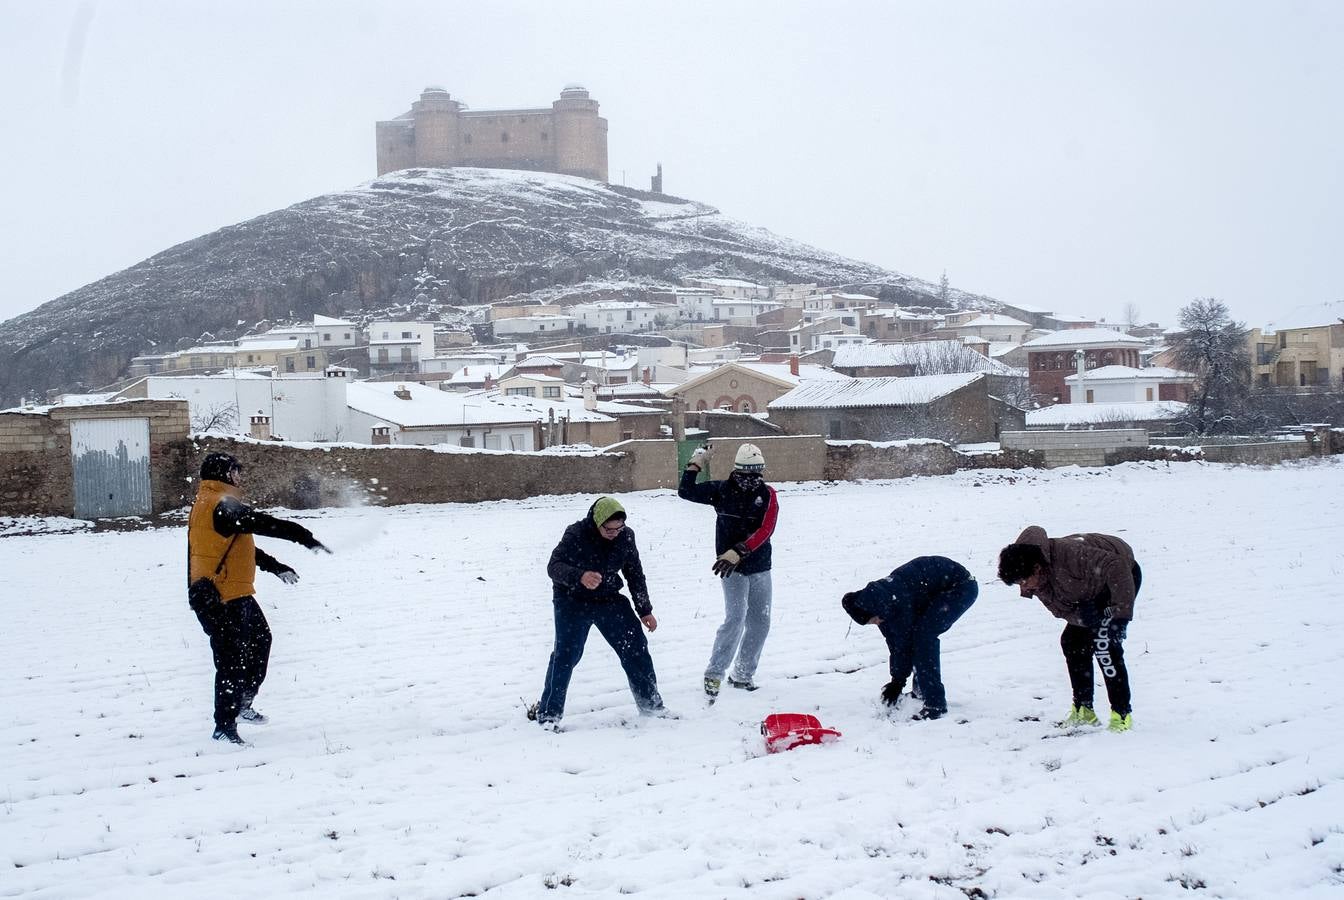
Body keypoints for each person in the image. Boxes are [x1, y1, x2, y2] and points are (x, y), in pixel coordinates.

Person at [188, 452, 330, 746]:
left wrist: (276, 567)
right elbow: (264, 523)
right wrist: (303, 536)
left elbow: (239, 548)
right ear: (223, 475)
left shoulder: (214, 502)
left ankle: (241, 704)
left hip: (234, 592)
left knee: (260, 642)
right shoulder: (219, 505)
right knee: (230, 662)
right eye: (235, 472)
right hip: (217, 597)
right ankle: (223, 727)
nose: (240, 477)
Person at [531, 497, 671, 730]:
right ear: (597, 522)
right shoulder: (576, 534)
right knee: (567, 655)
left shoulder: (626, 537)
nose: (615, 532)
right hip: (572, 599)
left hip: (608, 598)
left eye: (619, 527)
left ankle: (651, 707)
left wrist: (645, 610)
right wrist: (580, 576)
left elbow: (634, 573)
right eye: (609, 528)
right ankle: (548, 715)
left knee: (635, 647)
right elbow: (553, 566)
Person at [997, 525, 1141, 733]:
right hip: (1085, 591)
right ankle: (1084, 710)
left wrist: (1120, 616)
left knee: (1104, 645)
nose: (1024, 588)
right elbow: (1059, 609)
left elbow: (1116, 566)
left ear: (1037, 568)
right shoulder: (1035, 581)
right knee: (1072, 642)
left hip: (1119, 577)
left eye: (1024, 581)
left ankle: (1122, 715)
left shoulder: (1070, 555)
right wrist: (1081, 617)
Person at [678, 442, 779, 702]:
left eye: (757, 474)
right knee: (734, 619)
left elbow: (766, 529)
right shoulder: (721, 490)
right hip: (730, 567)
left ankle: (743, 674)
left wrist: (741, 550)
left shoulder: (768, 495)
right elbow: (685, 492)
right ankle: (714, 673)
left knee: (760, 622)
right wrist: (696, 463)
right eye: (747, 474)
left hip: (759, 566)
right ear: (737, 471)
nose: (752, 480)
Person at [841, 556, 978, 720]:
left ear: (872, 610)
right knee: (919, 637)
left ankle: (935, 705)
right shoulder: (882, 604)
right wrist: (896, 680)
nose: (876, 623)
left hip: (960, 588)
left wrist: (898, 682)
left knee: (924, 638)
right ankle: (920, 693)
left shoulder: (895, 601)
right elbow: (895, 644)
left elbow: (904, 643)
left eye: (873, 619)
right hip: (938, 591)